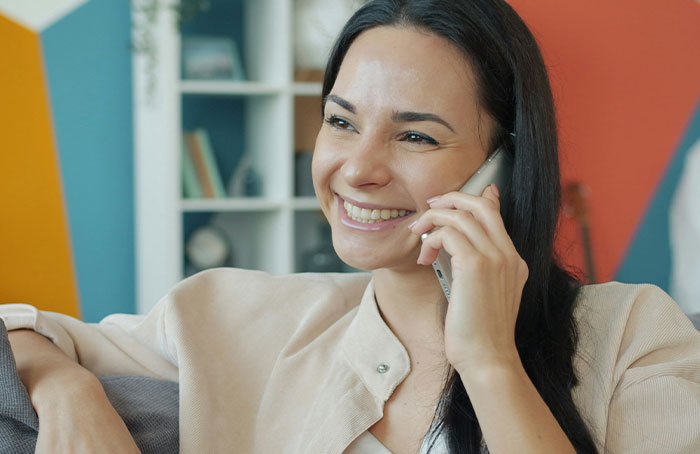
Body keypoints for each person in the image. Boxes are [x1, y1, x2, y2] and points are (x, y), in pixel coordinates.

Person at [3, 0, 700, 453]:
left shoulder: (632, 336)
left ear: (503, 166)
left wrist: (488, 360)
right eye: (340, 121)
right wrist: (66, 388)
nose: (356, 169)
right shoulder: (234, 314)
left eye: (416, 137)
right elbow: (21, 327)